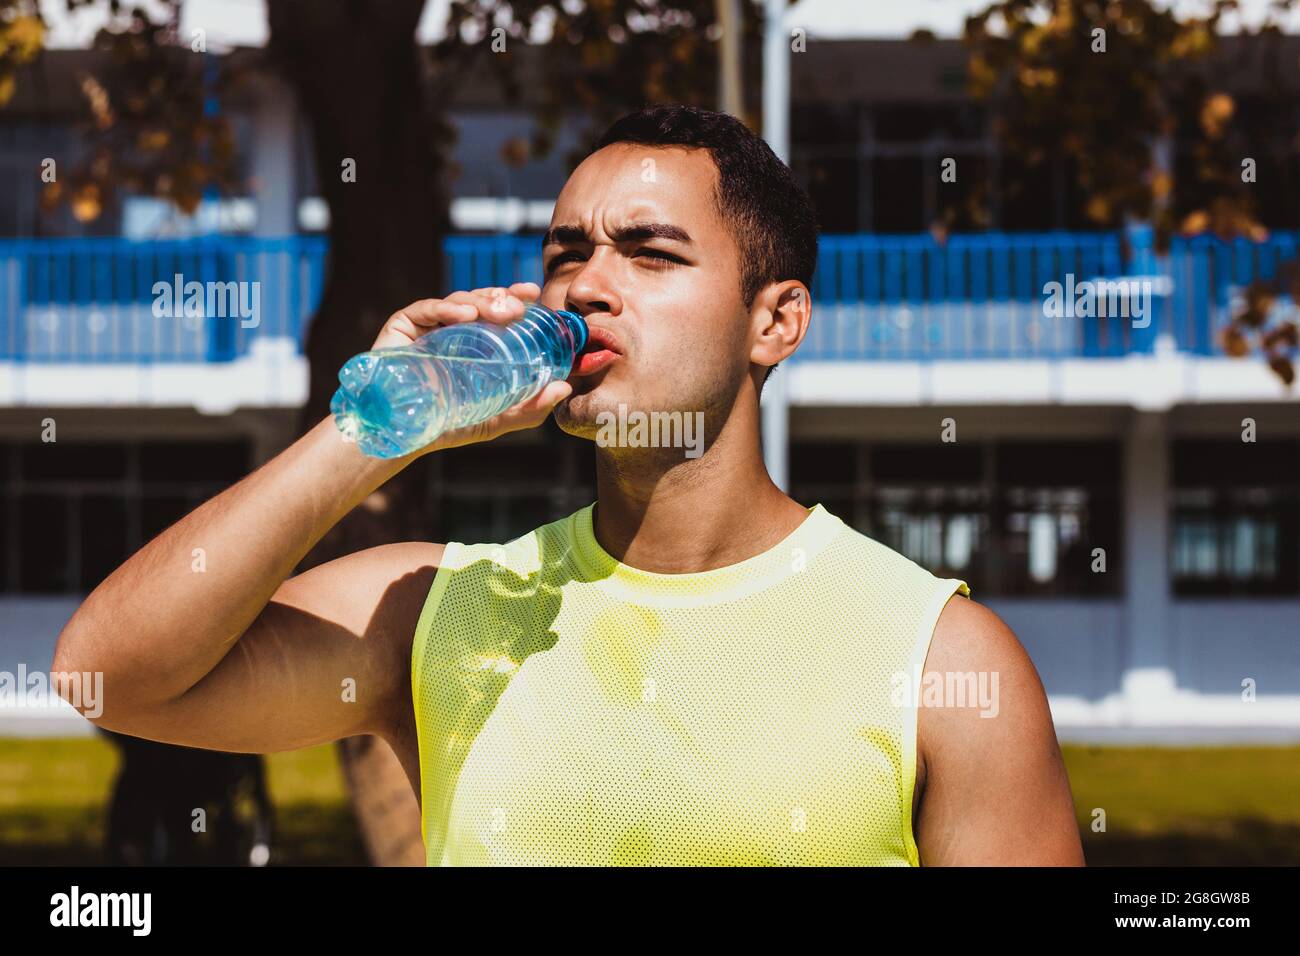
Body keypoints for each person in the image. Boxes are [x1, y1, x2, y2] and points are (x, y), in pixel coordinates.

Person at [54, 105, 1085, 866]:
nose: (587, 285)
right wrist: (369, 427)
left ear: (775, 320)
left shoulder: (941, 657)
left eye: (648, 252)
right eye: (567, 252)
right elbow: (110, 675)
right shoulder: (440, 607)